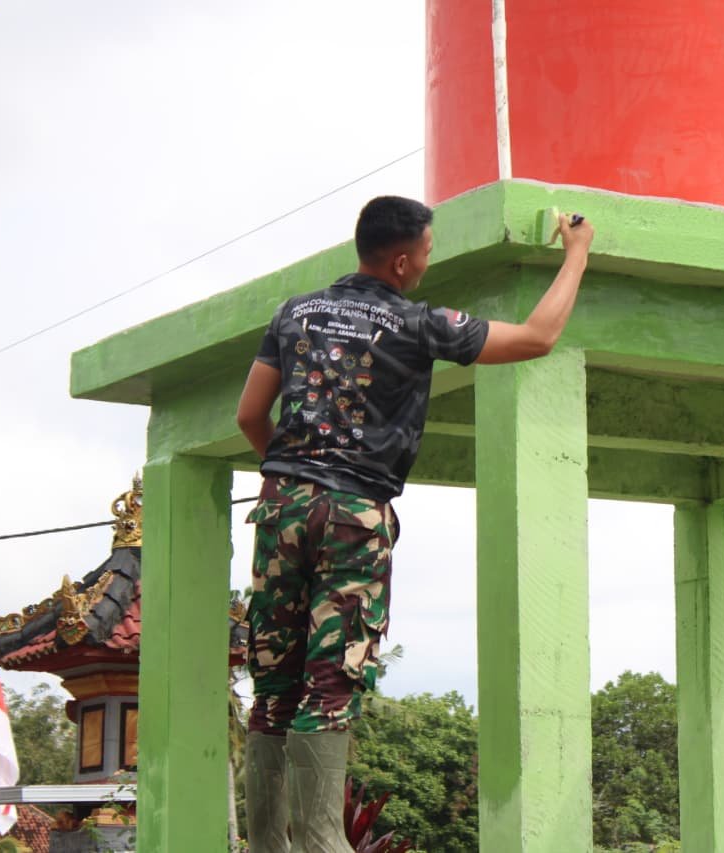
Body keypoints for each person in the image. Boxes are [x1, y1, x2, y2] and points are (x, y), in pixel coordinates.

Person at [235, 195, 594, 852]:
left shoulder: (294, 313)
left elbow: (249, 414)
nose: (428, 262)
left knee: (274, 686)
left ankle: (265, 846)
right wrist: (577, 255)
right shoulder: (417, 324)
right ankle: (322, 845)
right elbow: (537, 338)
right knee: (331, 684)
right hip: (353, 515)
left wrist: (292, 479)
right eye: (427, 252)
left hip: (281, 504)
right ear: (402, 261)